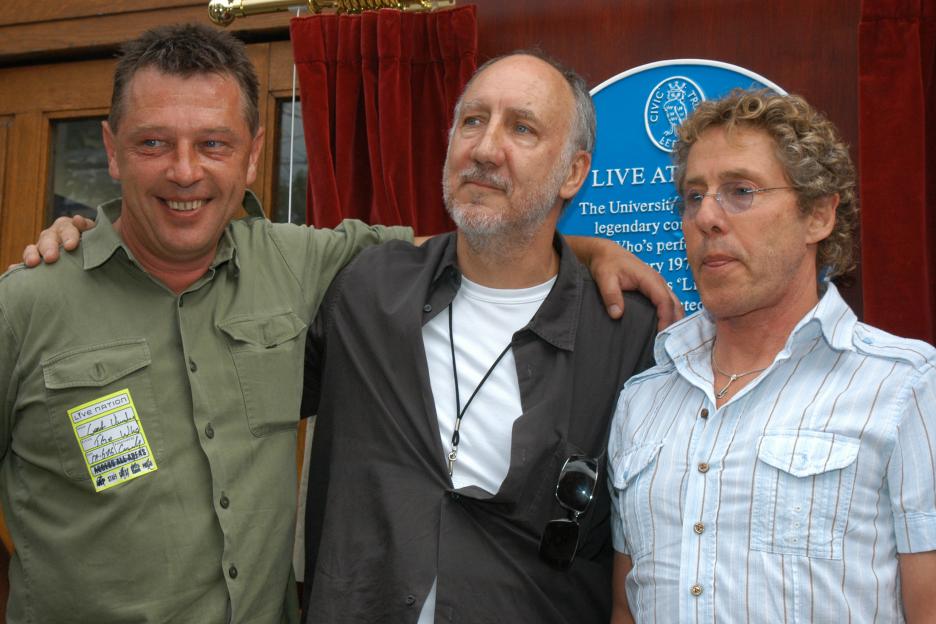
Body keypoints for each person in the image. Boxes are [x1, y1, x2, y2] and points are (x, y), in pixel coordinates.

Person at [6, 25, 678, 624]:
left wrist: (586, 250)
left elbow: (486, 241)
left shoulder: (328, 272)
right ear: (112, 150)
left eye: (213, 144)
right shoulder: (30, 303)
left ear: (251, 154)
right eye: (154, 143)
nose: (186, 170)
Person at [300, 51, 658, 624]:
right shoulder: (366, 291)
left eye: (522, 127)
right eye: (472, 120)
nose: (485, 149)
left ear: (573, 172)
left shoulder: (626, 334)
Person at [607, 89, 936, 623]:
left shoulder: (904, 387)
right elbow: (627, 606)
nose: (707, 217)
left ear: (818, 215)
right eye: (693, 197)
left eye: (740, 191)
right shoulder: (643, 399)